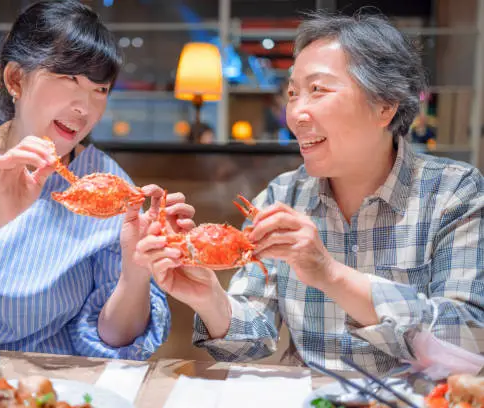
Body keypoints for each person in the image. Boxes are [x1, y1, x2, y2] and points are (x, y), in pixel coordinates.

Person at [134, 11, 484, 374]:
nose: (296, 113)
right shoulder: (282, 195)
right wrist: (209, 298)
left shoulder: (451, 192)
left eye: (318, 90)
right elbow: (247, 344)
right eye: (292, 94)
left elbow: (468, 340)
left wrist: (330, 275)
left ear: (384, 106)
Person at [0, 0, 195, 359]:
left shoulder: (107, 186)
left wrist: (136, 270)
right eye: (68, 78)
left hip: (50, 381)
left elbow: (115, 339)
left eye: (99, 89)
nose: (84, 107)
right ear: (15, 79)